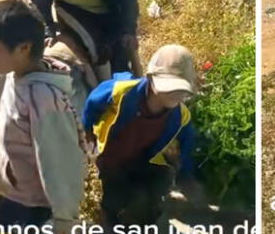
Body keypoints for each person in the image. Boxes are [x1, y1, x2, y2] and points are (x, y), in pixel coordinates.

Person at [0, 0, 87, 233]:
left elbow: (61, 164)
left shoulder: (44, 100)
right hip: (13, 193)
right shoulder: (15, 74)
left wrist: (65, 218)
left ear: (24, 48)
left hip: (32, 206)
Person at [82, 44, 200, 226]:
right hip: (111, 155)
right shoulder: (120, 91)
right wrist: (88, 130)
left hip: (142, 159)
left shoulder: (180, 116)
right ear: (150, 79)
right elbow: (92, 103)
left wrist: (186, 175)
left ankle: (145, 218)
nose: (174, 94)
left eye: (180, 90)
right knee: (113, 198)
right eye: (170, 88)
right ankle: (109, 220)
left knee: (154, 190)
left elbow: (187, 144)